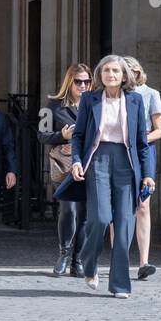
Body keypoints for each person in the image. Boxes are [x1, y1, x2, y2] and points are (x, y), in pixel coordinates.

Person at [65, 56, 156, 299]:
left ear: (124, 76)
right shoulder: (89, 99)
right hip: (98, 161)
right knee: (101, 218)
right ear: (100, 75)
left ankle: (119, 284)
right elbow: (79, 135)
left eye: (115, 70)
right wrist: (76, 161)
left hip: (127, 164)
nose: (110, 74)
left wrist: (148, 174)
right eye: (106, 70)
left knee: (125, 224)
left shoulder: (136, 101)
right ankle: (89, 261)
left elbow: (142, 143)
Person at [41, 64, 91, 276]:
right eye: (78, 81)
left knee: (86, 214)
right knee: (68, 210)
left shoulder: (96, 104)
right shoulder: (53, 105)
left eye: (86, 82)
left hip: (90, 164)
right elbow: (41, 136)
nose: (82, 85)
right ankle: (64, 253)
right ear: (69, 82)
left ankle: (78, 260)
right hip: (65, 166)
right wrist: (62, 135)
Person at [122, 58, 161, 280]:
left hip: (143, 152)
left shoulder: (151, 94)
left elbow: (160, 130)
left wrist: (140, 140)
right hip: (120, 152)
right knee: (118, 206)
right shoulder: (117, 95)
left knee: (143, 205)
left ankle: (144, 261)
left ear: (137, 72)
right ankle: (119, 259)